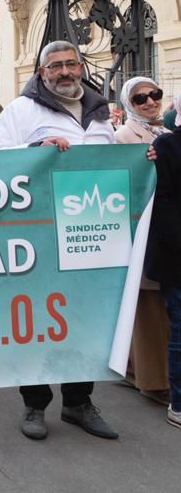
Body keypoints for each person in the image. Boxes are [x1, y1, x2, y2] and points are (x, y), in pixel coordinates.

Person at [0, 40, 119, 440]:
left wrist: (143, 160)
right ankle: (35, 403)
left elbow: (112, 164)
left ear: (81, 67)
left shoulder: (100, 113)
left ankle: (78, 402)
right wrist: (34, 151)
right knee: (37, 320)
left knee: (85, 318)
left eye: (71, 64)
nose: (64, 72)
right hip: (38, 233)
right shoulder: (21, 111)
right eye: (55, 66)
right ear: (42, 73)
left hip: (90, 232)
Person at [114, 77, 171, 405]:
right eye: (140, 98)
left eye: (155, 94)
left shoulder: (165, 132)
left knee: (161, 304)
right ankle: (153, 381)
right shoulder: (124, 136)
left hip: (166, 228)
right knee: (147, 307)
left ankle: (138, 370)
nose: (150, 101)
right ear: (128, 104)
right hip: (142, 229)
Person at [146, 117, 181, 429]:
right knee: (179, 333)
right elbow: (162, 202)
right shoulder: (166, 146)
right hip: (177, 258)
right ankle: (179, 403)